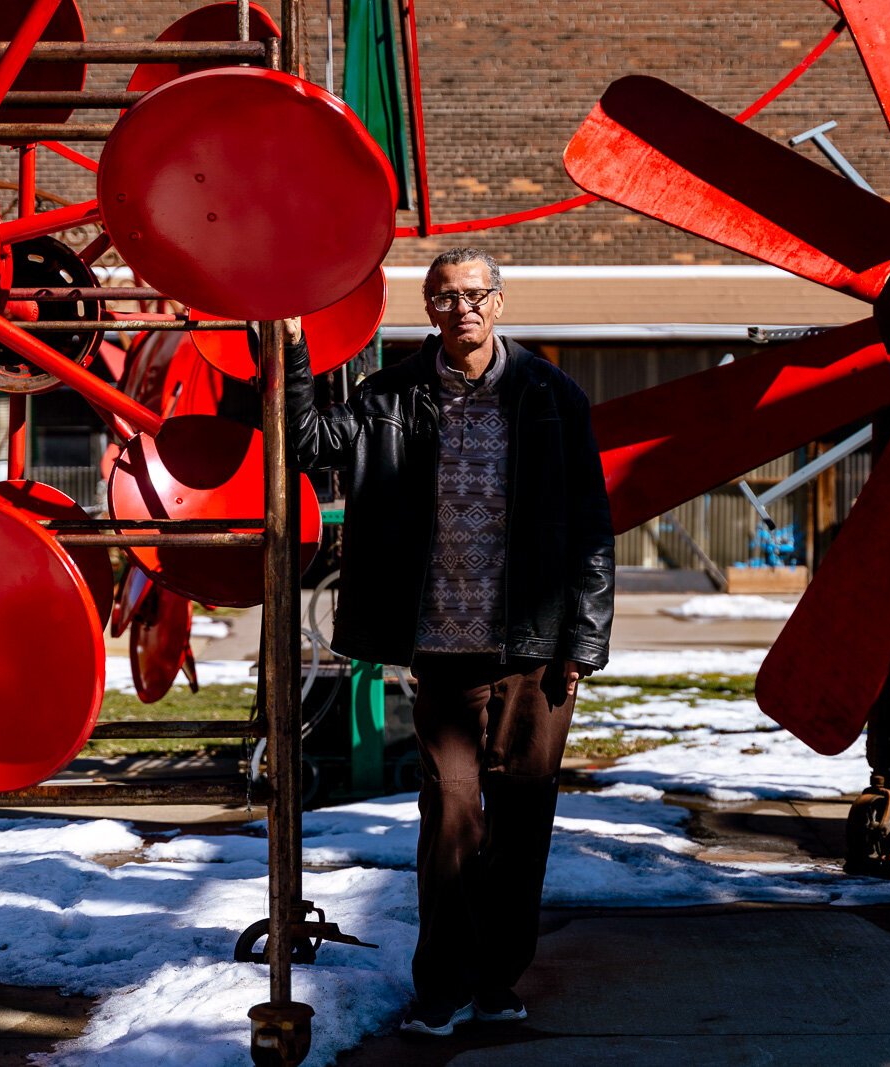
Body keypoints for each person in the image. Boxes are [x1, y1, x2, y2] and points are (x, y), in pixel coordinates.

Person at [281, 247, 615, 1037]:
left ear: (499, 302)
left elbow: (592, 528)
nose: (459, 307)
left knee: (523, 822)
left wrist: (585, 637)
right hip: (441, 651)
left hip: (535, 651)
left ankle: (498, 980)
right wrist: (291, 345)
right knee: (451, 819)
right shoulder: (390, 395)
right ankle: (442, 984)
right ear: (427, 309)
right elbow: (307, 442)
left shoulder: (552, 397)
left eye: (473, 294)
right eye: (442, 296)